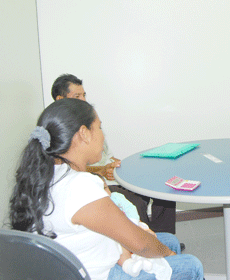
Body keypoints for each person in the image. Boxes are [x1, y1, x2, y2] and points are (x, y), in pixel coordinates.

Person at [9, 98, 203, 280]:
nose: (103, 135)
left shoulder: (45, 175)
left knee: (168, 240)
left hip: (70, 265)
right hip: (97, 273)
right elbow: (142, 245)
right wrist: (167, 254)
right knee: (190, 265)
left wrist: (163, 250)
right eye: (99, 127)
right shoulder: (80, 186)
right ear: (84, 133)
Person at [51, 74, 178, 235]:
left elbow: (107, 156)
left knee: (161, 185)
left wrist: (117, 164)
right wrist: (102, 171)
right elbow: (68, 170)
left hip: (112, 173)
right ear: (60, 99)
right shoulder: (59, 132)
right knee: (136, 202)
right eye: (77, 96)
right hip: (100, 181)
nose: (83, 100)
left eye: (84, 95)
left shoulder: (89, 119)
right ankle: (143, 245)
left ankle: (163, 238)